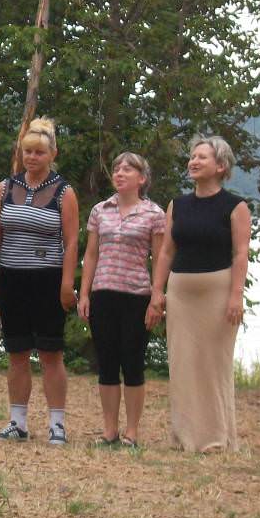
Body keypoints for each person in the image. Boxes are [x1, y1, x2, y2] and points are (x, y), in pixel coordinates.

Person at [149, 135, 250, 452]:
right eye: (192, 157)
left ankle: (217, 438)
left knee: (213, 366)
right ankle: (185, 436)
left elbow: (240, 254)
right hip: (181, 293)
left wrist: (236, 296)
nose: (193, 161)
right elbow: (166, 252)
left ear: (220, 166)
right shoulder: (177, 205)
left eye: (201, 157)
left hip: (218, 293)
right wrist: (157, 292)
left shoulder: (235, 206)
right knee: (183, 365)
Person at [0, 118, 79, 446]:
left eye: (39, 152)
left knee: (51, 354)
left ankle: (57, 425)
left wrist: (67, 283)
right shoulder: (4, 188)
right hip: (12, 278)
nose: (32, 158)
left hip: (48, 278)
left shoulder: (64, 192)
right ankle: (18, 422)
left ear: (53, 154)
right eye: (28, 152)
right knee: (17, 352)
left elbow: (71, 241)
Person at [77, 153, 165, 448]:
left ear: (142, 178)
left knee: (133, 362)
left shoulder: (154, 214)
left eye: (128, 169)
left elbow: (160, 258)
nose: (120, 173)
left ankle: (132, 432)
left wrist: (157, 296)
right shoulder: (100, 210)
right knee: (107, 363)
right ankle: (109, 430)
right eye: (116, 169)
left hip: (137, 295)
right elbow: (91, 254)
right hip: (103, 293)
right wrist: (84, 293)